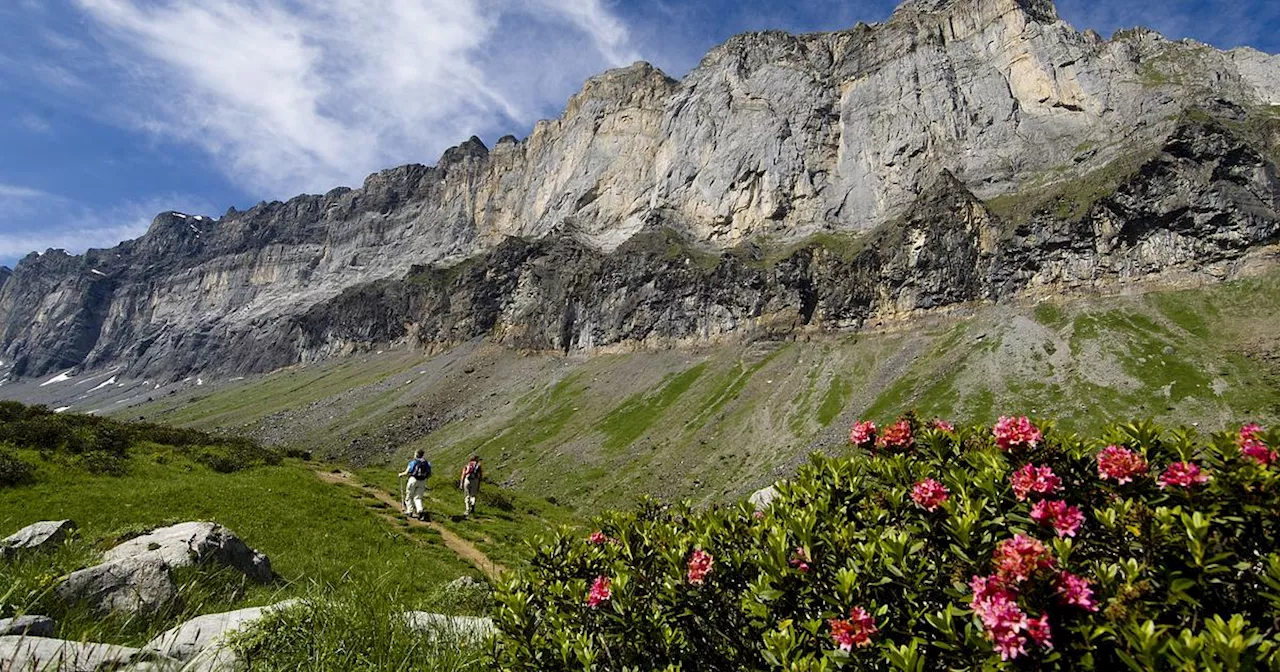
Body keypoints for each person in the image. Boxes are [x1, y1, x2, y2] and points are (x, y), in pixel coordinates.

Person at [398, 449, 431, 520]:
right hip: (422, 481)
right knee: (418, 497)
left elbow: (407, 472)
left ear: (416, 454)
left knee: (409, 495)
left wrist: (401, 474)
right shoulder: (427, 463)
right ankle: (420, 510)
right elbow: (429, 473)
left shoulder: (413, 462)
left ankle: (409, 511)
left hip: (413, 479)